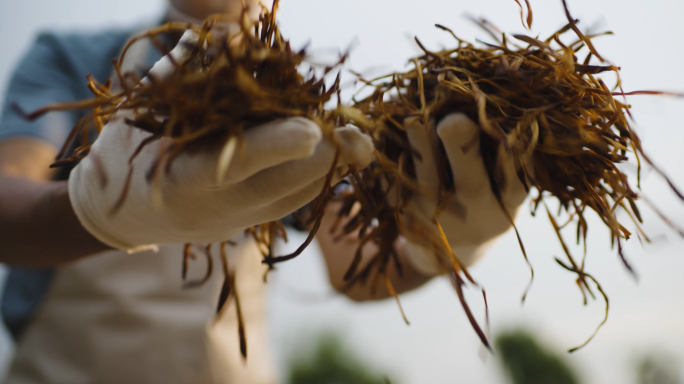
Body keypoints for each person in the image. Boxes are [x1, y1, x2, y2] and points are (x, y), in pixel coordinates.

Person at [0, 0, 530, 383]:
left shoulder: (303, 109)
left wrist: (440, 243)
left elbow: (357, 266)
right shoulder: (74, 58)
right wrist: (96, 212)